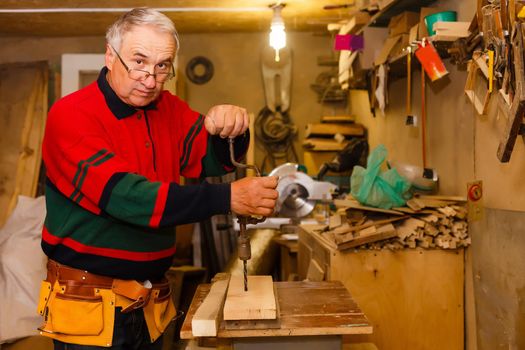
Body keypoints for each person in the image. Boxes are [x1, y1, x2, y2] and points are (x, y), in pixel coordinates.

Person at [37, 7, 278, 350]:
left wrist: (232, 128)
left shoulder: (168, 108)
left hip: (150, 302)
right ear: (110, 54)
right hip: (89, 306)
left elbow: (211, 159)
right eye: (138, 61)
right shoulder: (71, 116)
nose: (150, 79)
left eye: (162, 65)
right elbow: (128, 198)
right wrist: (226, 199)